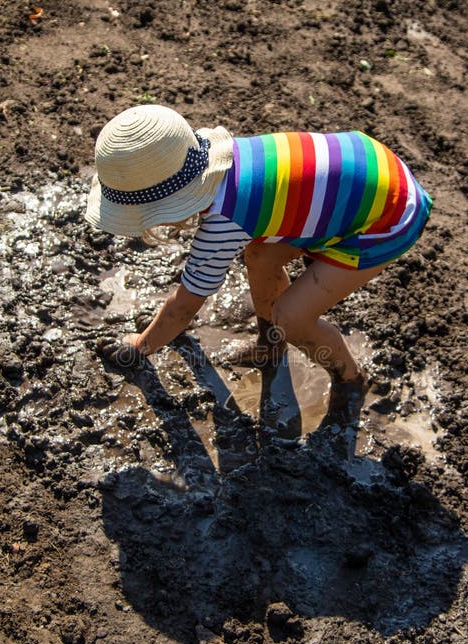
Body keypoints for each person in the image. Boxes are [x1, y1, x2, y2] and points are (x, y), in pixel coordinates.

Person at [85, 104, 432, 422]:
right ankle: (271, 344)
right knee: (260, 254)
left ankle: (350, 380)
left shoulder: (223, 221)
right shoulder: (219, 162)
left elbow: (184, 307)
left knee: (293, 317)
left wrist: (140, 346)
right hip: (366, 167)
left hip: (385, 217)